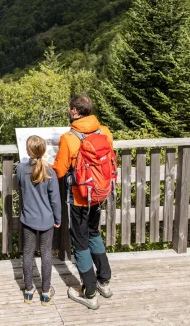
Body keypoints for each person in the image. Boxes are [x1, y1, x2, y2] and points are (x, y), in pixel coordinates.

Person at [53, 94, 113, 310]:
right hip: (99, 192)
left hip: (80, 196)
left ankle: (88, 291)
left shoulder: (69, 138)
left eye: (70, 108)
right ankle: (104, 281)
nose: (69, 110)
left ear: (75, 112)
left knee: (80, 241)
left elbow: (59, 170)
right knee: (94, 232)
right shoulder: (104, 131)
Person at [17, 135, 61, 306]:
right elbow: (55, 200)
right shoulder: (50, 172)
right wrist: (58, 218)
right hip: (46, 220)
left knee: (28, 253)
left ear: (28, 151)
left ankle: (28, 291)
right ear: (43, 151)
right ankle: (46, 292)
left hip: (28, 218)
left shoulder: (21, 169)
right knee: (46, 254)